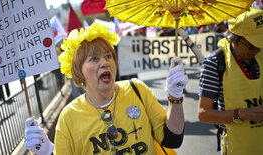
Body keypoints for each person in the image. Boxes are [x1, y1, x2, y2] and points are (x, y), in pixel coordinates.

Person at [24, 22, 188, 154]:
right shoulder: (69, 117)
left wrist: (175, 98)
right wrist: (47, 151)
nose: (105, 63)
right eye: (94, 59)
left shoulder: (137, 89)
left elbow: (172, 140)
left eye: (108, 56)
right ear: (78, 70)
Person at [198, 8, 263, 155]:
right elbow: (203, 113)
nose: (256, 49)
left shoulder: (260, 53)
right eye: (251, 44)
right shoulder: (215, 62)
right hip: (236, 145)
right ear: (234, 39)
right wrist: (242, 114)